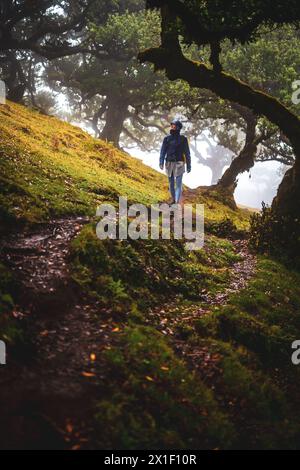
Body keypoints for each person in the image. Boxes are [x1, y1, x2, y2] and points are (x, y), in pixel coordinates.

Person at [159, 119, 191, 204]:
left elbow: (187, 153)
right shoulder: (166, 139)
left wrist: (189, 165)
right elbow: (163, 151)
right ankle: (173, 200)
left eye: (174, 126)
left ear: (178, 128)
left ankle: (176, 202)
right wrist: (161, 162)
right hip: (169, 163)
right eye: (172, 125)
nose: (172, 127)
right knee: (171, 183)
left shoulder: (183, 139)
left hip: (180, 163)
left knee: (179, 184)